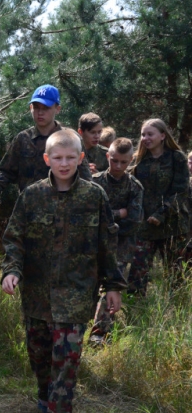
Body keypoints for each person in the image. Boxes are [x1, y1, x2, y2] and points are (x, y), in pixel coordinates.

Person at [1, 129, 125, 413]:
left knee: (66, 360)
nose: (64, 163)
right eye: (58, 157)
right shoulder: (32, 195)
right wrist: (11, 271)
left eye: (71, 157)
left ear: (81, 158)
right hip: (37, 295)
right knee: (39, 355)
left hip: (76, 294)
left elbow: (107, 244)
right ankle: (46, 397)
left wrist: (113, 285)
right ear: (47, 159)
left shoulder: (94, 196)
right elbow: (14, 239)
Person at [0, 84, 92, 206]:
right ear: (30, 108)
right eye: (36, 107)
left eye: (46, 108)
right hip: (30, 208)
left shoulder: (71, 139)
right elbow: (6, 171)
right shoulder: (23, 139)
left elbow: (85, 177)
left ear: (57, 109)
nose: (40, 112)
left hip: (64, 208)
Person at [89, 138, 143, 346]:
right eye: (114, 160)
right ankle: (80, 324)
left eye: (124, 162)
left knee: (111, 288)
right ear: (107, 157)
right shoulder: (94, 182)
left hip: (121, 246)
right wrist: (119, 213)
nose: (118, 166)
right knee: (89, 284)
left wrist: (107, 221)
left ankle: (99, 333)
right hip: (93, 243)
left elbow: (134, 221)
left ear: (131, 160)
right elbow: (88, 216)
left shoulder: (134, 187)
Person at [128, 119, 190, 295]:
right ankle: (134, 306)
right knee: (137, 270)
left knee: (175, 274)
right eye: (143, 134)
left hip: (173, 225)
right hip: (145, 224)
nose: (145, 138)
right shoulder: (139, 160)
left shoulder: (177, 158)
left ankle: (175, 307)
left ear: (162, 136)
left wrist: (161, 213)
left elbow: (180, 191)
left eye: (150, 134)